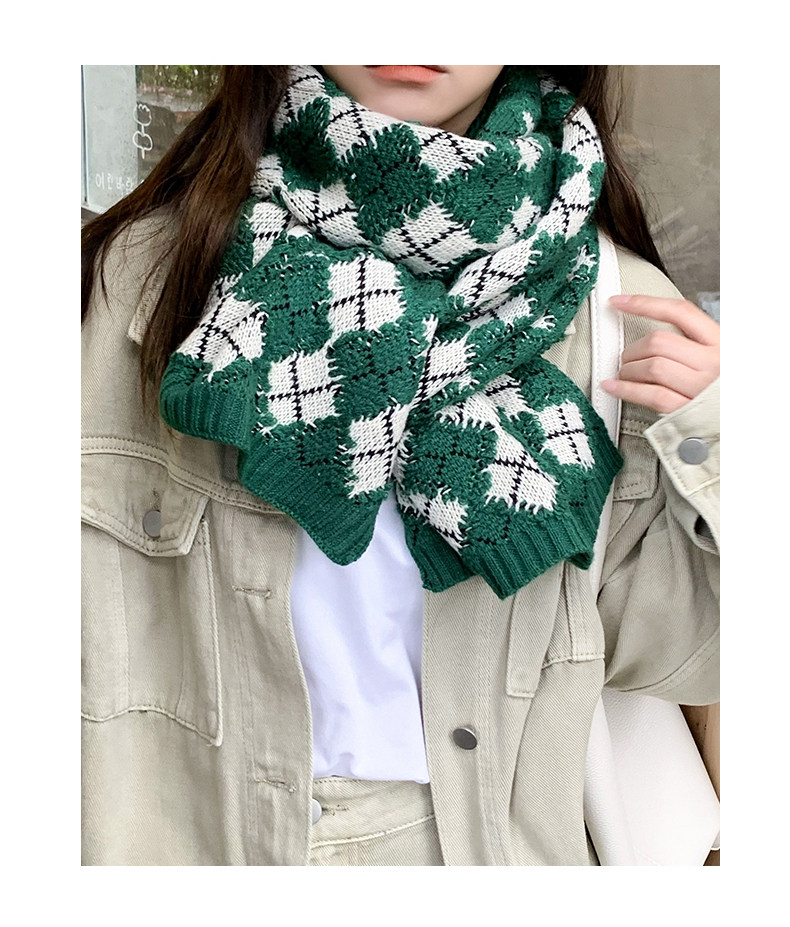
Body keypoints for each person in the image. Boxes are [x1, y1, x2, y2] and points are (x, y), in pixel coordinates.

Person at [81, 65, 720, 866]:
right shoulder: (136, 281)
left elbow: (692, 654)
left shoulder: (616, 314)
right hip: (182, 840)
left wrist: (728, 438)